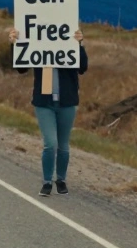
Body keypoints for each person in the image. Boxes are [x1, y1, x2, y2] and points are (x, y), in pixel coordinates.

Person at [8, 27, 88, 197]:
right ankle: (46, 182)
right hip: (44, 102)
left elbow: (83, 67)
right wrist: (15, 44)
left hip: (67, 101)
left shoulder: (69, 44)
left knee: (63, 145)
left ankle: (61, 179)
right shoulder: (39, 45)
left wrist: (80, 44)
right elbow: (21, 68)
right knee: (50, 143)